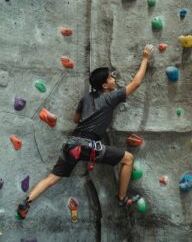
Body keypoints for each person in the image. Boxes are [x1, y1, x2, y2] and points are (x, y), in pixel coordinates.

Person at [17, 44, 153, 219]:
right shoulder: (111, 97)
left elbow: (76, 119)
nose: (114, 78)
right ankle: (121, 198)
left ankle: (26, 202)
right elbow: (137, 82)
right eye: (111, 77)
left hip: (71, 143)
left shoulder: (86, 98)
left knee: (52, 178)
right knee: (128, 159)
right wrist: (145, 58)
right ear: (105, 85)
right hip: (87, 145)